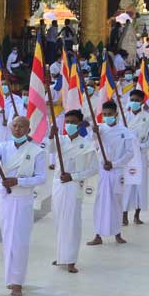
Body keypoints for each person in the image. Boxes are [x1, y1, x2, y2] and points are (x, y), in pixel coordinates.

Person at [0, 116, 47, 296]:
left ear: (28, 130)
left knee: (20, 241)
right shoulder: (3, 147)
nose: (17, 129)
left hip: (23, 200)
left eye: (21, 126)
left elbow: (41, 177)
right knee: (8, 238)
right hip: (6, 199)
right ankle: (10, 278)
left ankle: (18, 282)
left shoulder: (36, 151)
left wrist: (19, 181)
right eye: (14, 125)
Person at [51, 110, 95, 273]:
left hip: (73, 185)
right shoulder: (59, 140)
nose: (69, 125)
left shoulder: (87, 144)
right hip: (58, 184)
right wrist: (51, 135)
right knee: (59, 221)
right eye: (67, 121)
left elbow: (94, 168)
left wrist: (74, 176)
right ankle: (61, 256)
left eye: (73, 122)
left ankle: (71, 260)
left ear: (80, 124)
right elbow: (48, 150)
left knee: (72, 222)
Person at [88, 102, 135, 247]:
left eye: (110, 114)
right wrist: (94, 132)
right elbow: (91, 140)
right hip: (102, 171)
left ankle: (117, 233)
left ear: (116, 114)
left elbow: (130, 153)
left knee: (116, 201)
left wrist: (114, 164)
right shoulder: (100, 129)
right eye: (105, 114)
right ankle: (97, 234)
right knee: (100, 202)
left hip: (117, 171)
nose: (107, 117)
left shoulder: (125, 131)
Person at [121, 90, 149, 226]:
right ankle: (123, 214)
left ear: (142, 102)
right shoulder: (123, 117)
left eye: (137, 100)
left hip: (140, 155)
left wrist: (142, 145)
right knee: (127, 184)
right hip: (127, 156)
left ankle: (137, 214)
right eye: (132, 99)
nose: (134, 102)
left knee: (139, 184)